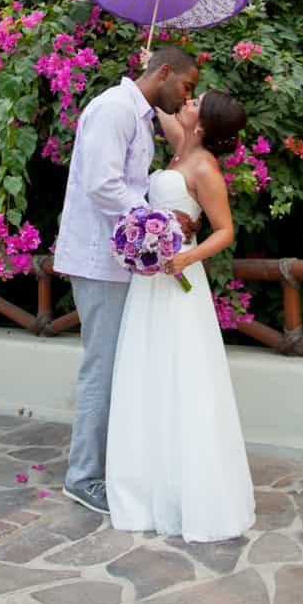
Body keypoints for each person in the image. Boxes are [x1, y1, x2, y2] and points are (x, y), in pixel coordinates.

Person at [106, 90, 256, 542]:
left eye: (196, 102)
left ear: (204, 123)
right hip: (150, 279)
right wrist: (150, 70)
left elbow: (226, 231)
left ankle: (191, 493)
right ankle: (147, 487)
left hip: (178, 277)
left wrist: (186, 259)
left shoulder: (204, 166)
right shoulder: (180, 148)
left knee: (182, 375)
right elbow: (160, 107)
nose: (188, 101)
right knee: (147, 372)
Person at [54, 47, 199, 514]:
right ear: (163, 72)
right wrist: (160, 218)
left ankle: (106, 467)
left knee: (118, 366)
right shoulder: (114, 110)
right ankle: (82, 476)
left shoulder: (139, 115)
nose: (187, 95)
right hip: (98, 261)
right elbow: (102, 185)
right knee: (103, 368)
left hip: (118, 261)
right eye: (186, 85)